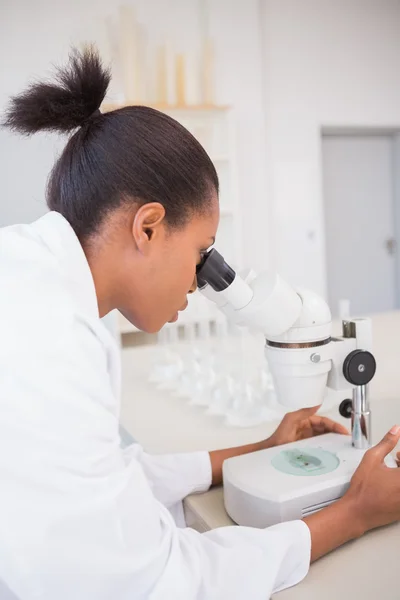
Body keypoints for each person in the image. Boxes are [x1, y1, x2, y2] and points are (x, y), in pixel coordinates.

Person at [1, 47, 400, 600]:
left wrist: (259, 448)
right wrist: (356, 513)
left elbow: (109, 478)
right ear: (148, 227)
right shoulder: (51, 342)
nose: (198, 282)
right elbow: (159, 582)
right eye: (200, 253)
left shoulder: (31, 280)